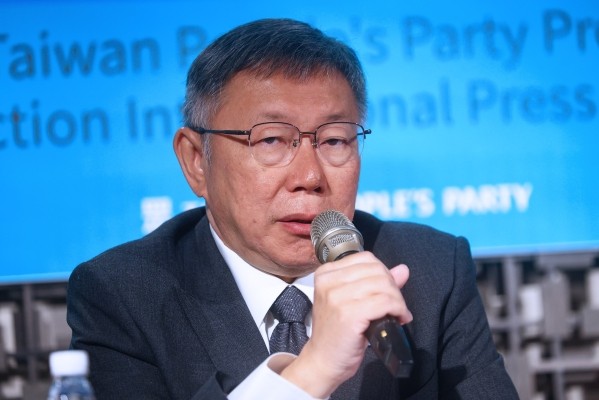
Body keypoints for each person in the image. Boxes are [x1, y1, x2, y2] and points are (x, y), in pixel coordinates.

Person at [67, 18, 519, 399]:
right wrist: (313, 370)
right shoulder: (125, 296)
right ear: (195, 161)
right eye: (271, 140)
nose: (310, 176)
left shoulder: (431, 270)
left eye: (335, 140)